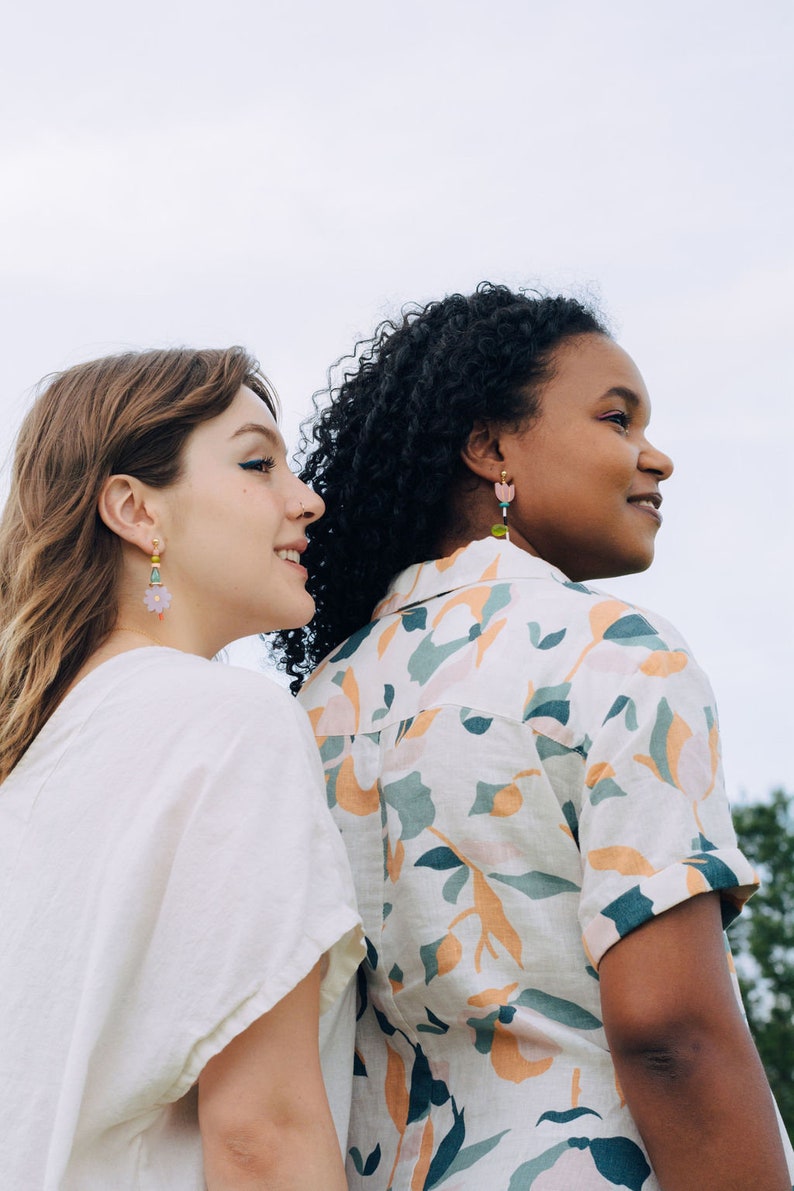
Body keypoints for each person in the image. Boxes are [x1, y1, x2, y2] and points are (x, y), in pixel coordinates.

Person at [274, 285, 794, 1190]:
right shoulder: (618, 654)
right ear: (491, 447)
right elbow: (674, 1031)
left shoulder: (316, 705)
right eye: (617, 418)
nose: (656, 457)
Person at [0, 347, 364, 1189]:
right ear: (135, 510)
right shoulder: (230, 723)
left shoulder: (34, 753)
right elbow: (262, 1136)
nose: (306, 500)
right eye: (256, 463)